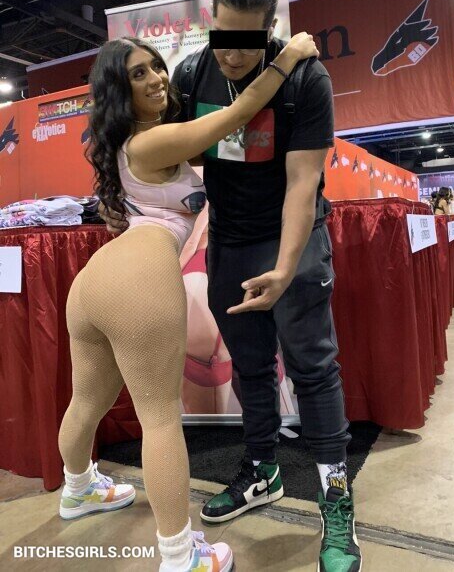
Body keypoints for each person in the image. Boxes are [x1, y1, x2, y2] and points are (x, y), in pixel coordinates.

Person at [104, 0, 362, 572]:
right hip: (228, 241)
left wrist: (286, 266)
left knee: (313, 368)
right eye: (225, 37)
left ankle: (336, 503)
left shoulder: (305, 79)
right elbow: (175, 145)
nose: (234, 55)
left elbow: (302, 184)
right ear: (212, 22)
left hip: (292, 239)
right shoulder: (194, 73)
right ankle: (262, 469)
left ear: (269, 29)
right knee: (249, 364)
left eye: (248, 42)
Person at [58, 32, 318, 572]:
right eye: (138, 74)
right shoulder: (150, 142)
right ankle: (181, 555)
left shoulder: (139, 140)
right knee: (159, 421)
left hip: (94, 284)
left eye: (156, 66)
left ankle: (78, 488)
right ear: (118, 90)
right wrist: (288, 57)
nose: (156, 78)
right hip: (138, 280)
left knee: (87, 403)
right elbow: (233, 118)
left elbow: (226, 139)